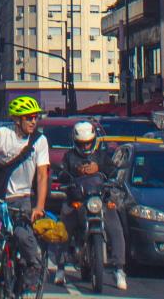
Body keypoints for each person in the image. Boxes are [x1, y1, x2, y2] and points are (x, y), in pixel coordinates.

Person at [0, 96, 51, 296]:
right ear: (17, 119)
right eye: (29, 117)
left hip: (22, 200)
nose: (34, 121)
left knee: (25, 240)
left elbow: (42, 176)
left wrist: (38, 207)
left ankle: (28, 282)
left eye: (36, 117)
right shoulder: (2, 135)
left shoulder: (40, 142)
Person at [58, 121, 127, 290]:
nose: (86, 146)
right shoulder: (69, 156)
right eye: (82, 143)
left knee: (116, 227)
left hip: (99, 200)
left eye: (88, 142)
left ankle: (119, 269)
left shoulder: (101, 156)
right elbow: (61, 174)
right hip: (78, 201)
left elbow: (113, 171)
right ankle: (60, 268)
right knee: (63, 228)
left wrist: (99, 169)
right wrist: (76, 170)